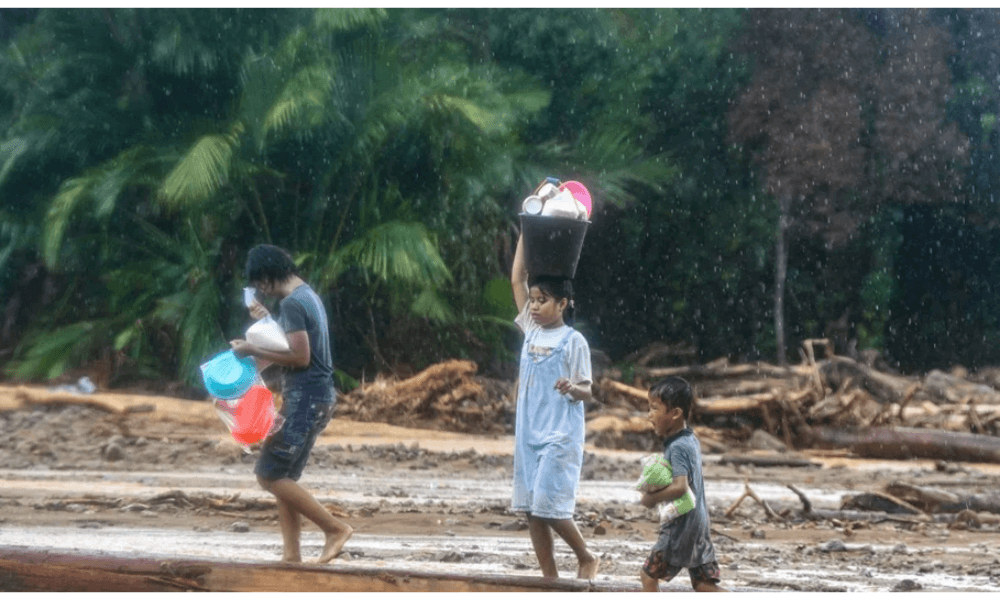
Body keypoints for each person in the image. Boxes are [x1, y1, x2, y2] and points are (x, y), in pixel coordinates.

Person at [229, 244, 352, 564]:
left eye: (259, 283)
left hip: (305, 399)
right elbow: (292, 345)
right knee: (284, 476)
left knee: (268, 474)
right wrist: (268, 323)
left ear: (268, 278)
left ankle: (334, 529)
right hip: (318, 397)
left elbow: (300, 357)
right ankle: (291, 555)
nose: (259, 291)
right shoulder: (306, 296)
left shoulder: (293, 304)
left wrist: (250, 349)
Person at [509, 232, 600, 580]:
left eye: (542, 300)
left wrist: (571, 387)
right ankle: (550, 578)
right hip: (528, 432)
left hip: (559, 434)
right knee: (532, 511)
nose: (533, 305)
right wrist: (525, 233)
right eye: (532, 299)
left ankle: (585, 556)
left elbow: (588, 391)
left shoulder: (573, 341)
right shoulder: (531, 330)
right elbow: (517, 277)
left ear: (563, 304)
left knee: (547, 505)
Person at [639, 376, 727, 592]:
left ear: (675, 413)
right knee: (704, 585)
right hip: (698, 524)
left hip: (681, 526)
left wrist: (651, 498)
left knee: (648, 577)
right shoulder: (689, 439)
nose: (649, 416)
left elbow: (680, 486)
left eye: (654, 409)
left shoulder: (678, 446)